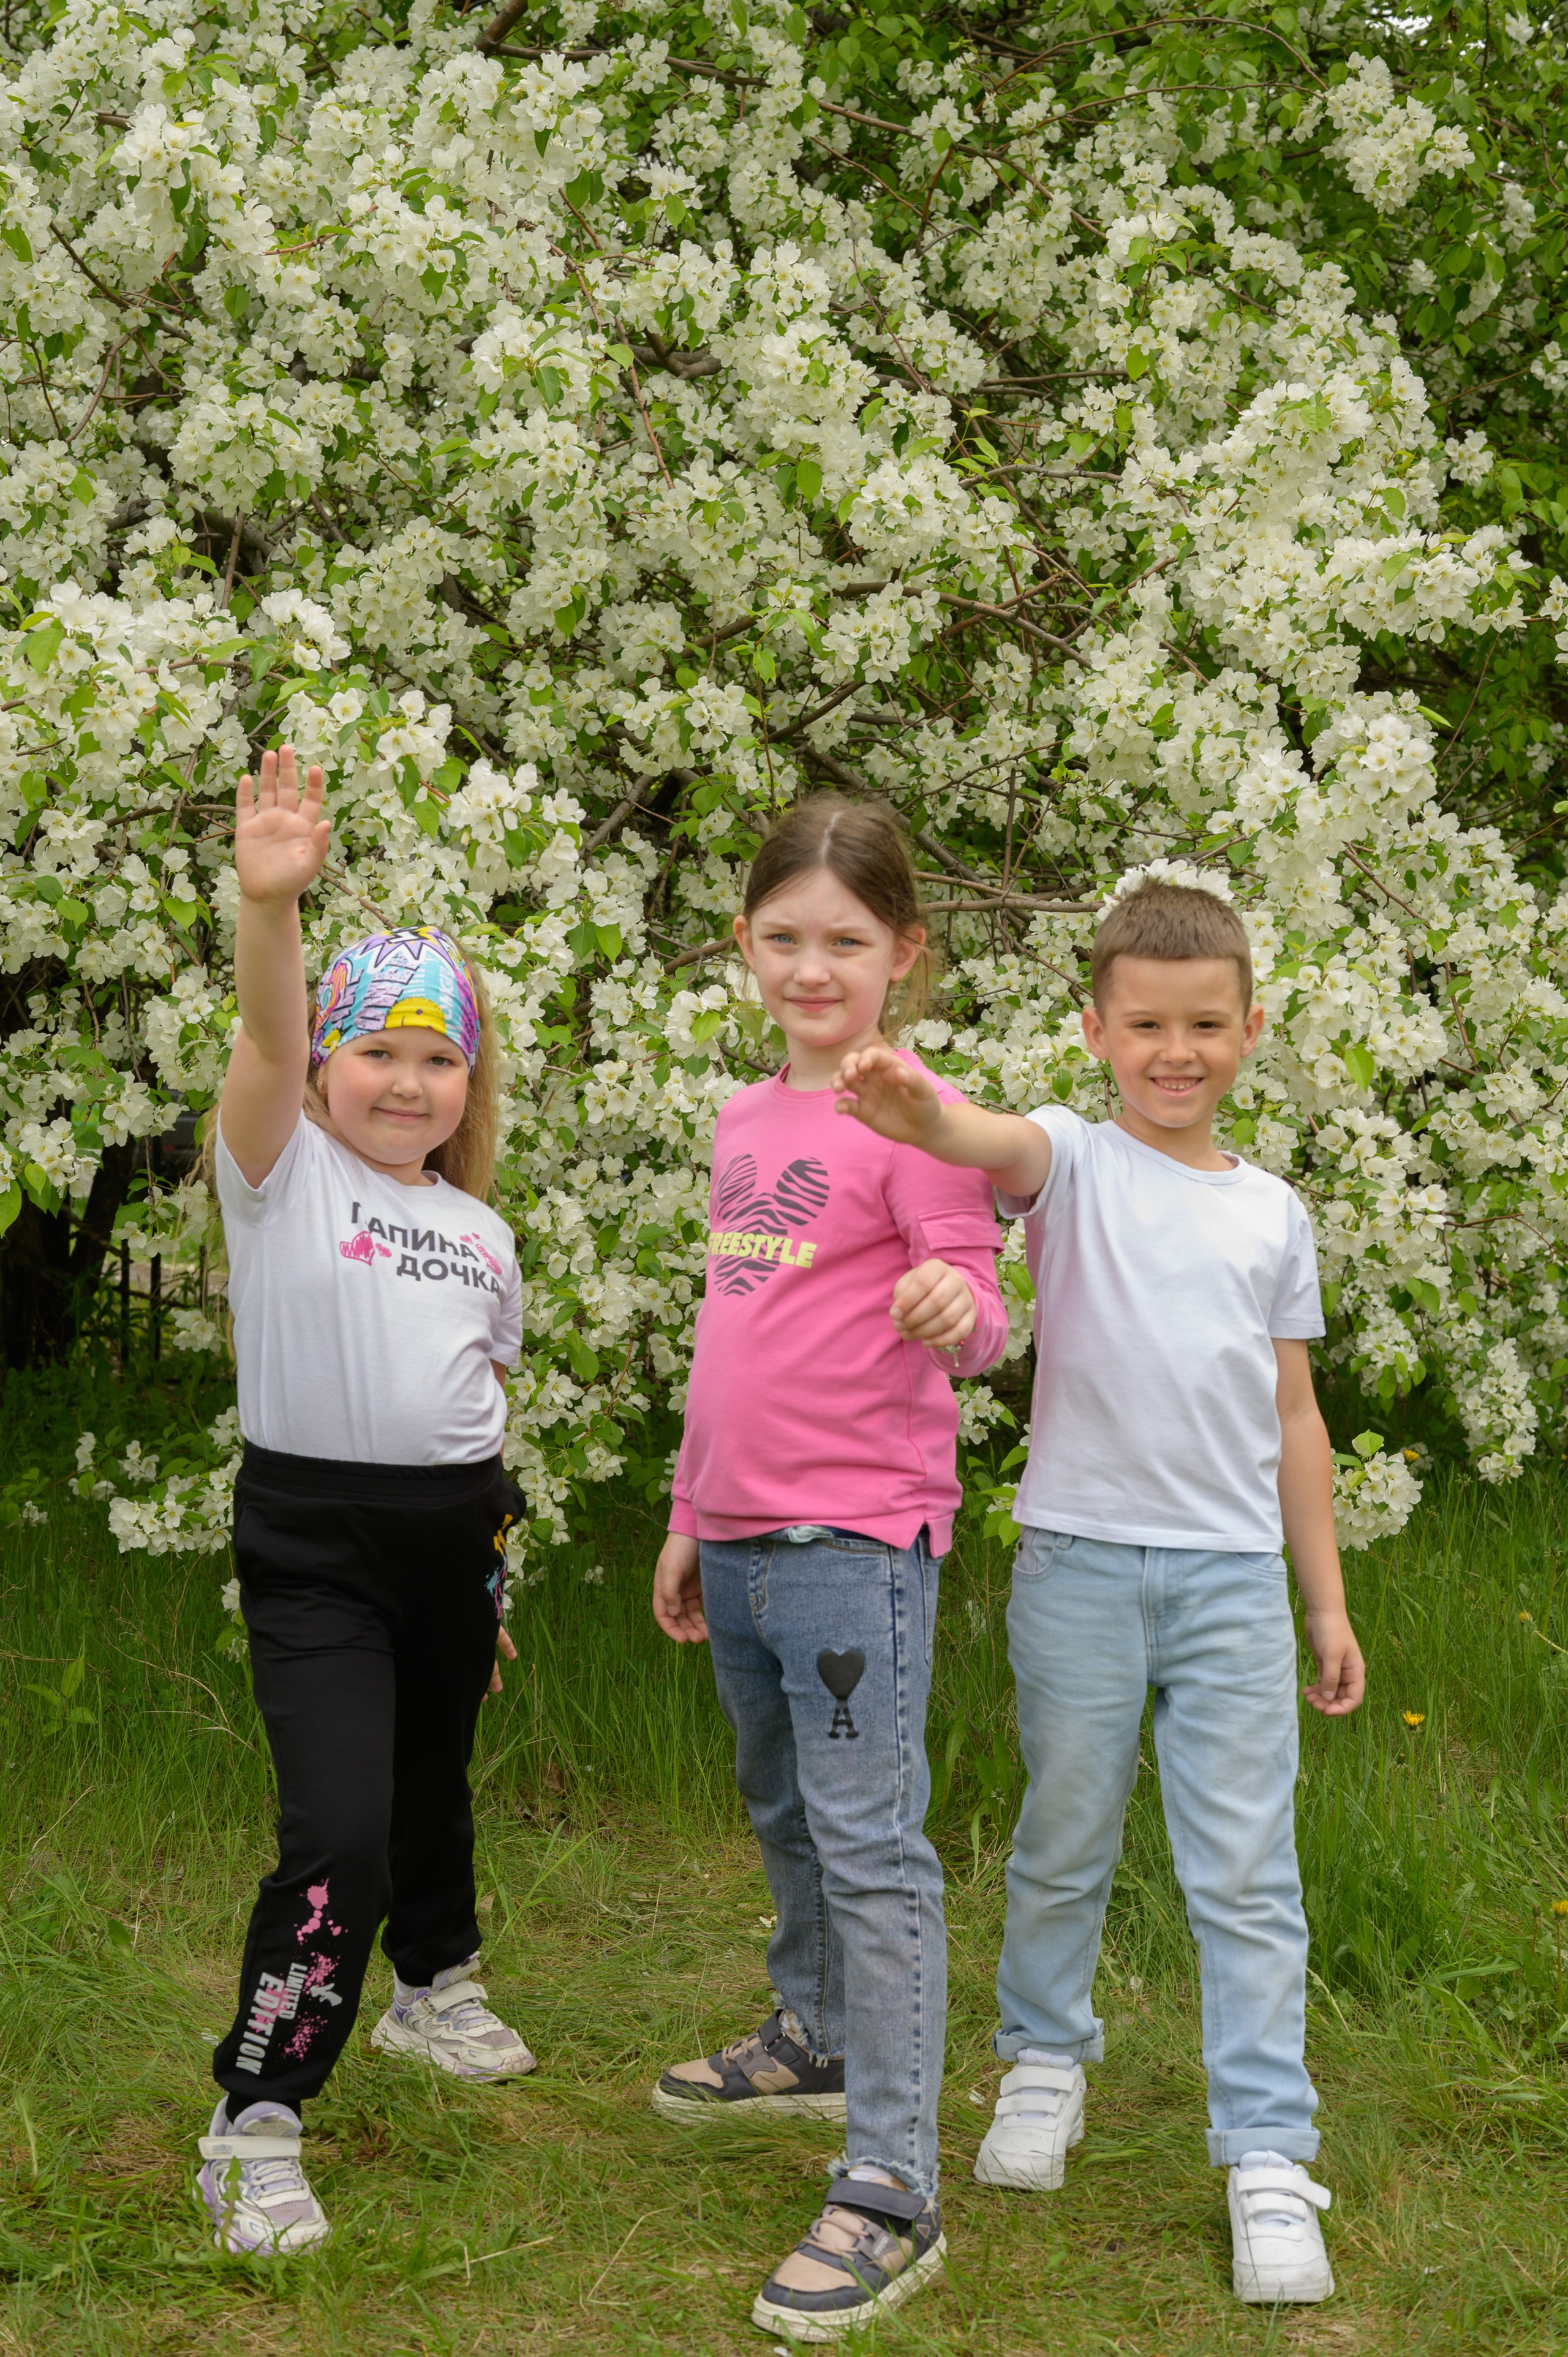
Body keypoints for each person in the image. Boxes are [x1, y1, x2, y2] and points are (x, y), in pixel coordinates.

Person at [831, 872, 1366, 2307]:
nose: (1173, 1052)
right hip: (1075, 1564)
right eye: (1144, 1026)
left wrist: (1322, 1600)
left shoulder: (1270, 1212)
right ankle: (1042, 2059)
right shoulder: (1067, 1156)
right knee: (1063, 1833)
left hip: (1233, 1584)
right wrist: (910, 1104)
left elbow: (1294, 1417)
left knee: (1245, 1873)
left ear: (1248, 1029)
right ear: (1096, 1028)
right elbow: (975, 1133)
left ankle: (1265, 2149)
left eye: (1202, 1025)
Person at [650, 796, 1008, 2341]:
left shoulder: (910, 1110)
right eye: (783, 938)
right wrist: (684, 1507)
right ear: (745, 946)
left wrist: (949, 1299)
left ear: (902, 953)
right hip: (734, 1530)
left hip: (854, 1534)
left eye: (844, 942)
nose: (812, 967)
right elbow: (728, 1328)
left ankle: (891, 2185)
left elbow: (988, 1307)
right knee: (779, 1802)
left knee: (870, 1844)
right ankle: (814, 2029)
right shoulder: (741, 1120)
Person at [195, 745, 534, 2256]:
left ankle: (434, 1986)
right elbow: (261, 1046)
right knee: (339, 1832)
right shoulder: (281, 1173)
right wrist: (273, 908)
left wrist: (491, 1579)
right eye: (376, 1050)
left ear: (469, 1078)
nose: (407, 1082)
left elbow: (480, 1408)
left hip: (452, 1542)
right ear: (329, 1059)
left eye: (437, 1056)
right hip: (316, 1547)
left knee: (429, 1784)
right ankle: (258, 2116)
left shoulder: (480, 1226)